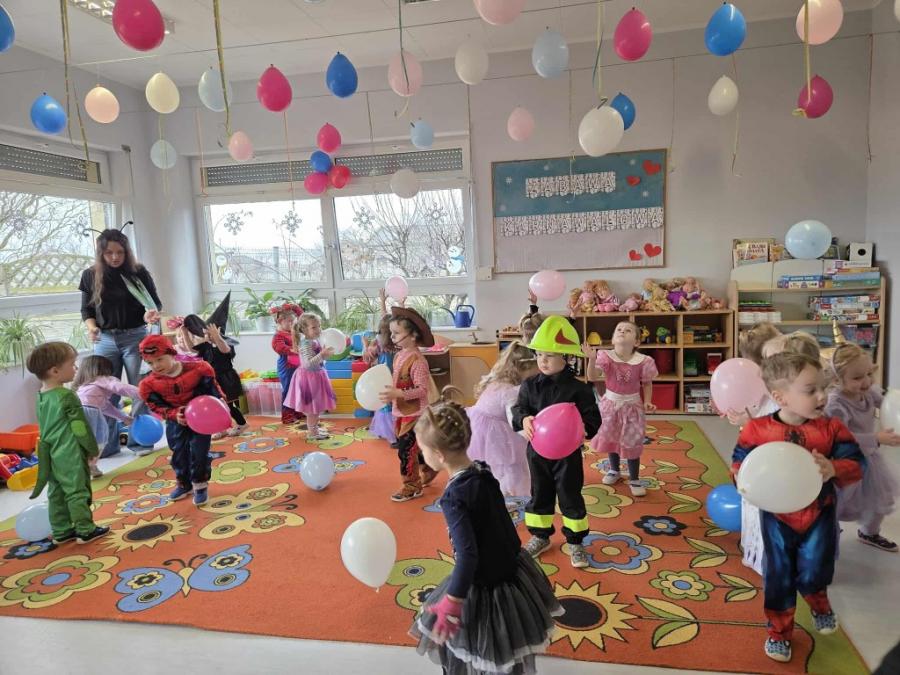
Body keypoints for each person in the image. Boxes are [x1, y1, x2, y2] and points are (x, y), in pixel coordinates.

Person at [409, 392, 563, 674]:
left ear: (439, 455)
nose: (423, 455)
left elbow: (467, 555)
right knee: (506, 642)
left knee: (476, 646)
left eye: (423, 449)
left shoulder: (453, 498)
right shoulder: (483, 471)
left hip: (483, 584)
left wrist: (453, 600)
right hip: (512, 570)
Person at [732, 352, 864, 663]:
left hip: (819, 512)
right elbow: (740, 463)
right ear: (780, 397)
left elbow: (858, 463)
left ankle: (818, 602)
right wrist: (741, 478)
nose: (822, 396)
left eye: (823, 388)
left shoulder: (831, 428)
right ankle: (779, 633)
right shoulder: (757, 430)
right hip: (777, 516)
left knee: (816, 569)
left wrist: (834, 468)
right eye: (810, 390)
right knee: (779, 575)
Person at [727, 328, 821, 574]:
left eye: (770, 364)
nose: (762, 371)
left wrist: (750, 424)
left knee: (778, 519)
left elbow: (779, 436)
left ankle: (775, 561)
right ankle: (765, 555)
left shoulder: (793, 403)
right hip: (768, 471)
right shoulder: (775, 396)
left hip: (779, 476)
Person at [512, 315, 602, 568]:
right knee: (539, 492)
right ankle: (540, 536)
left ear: (566, 357)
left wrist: (585, 429)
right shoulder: (529, 385)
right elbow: (518, 409)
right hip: (537, 452)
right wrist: (523, 419)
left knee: (570, 494)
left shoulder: (580, 390)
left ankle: (575, 541)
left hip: (568, 455)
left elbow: (593, 418)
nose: (543, 360)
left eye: (550, 355)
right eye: (539, 354)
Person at [79, 227, 161, 458]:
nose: (115, 257)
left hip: (135, 337)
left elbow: (154, 303)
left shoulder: (138, 272)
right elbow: (86, 310)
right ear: (101, 253)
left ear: (127, 252)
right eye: (109, 253)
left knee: (139, 389)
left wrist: (149, 314)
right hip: (104, 339)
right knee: (103, 392)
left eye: (120, 252)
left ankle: (140, 441)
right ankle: (107, 445)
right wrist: (92, 328)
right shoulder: (90, 275)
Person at [25, 342, 109, 544]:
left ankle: (61, 531)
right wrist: (92, 448)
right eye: (72, 364)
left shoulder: (41, 395)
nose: (76, 368)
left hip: (50, 450)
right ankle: (85, 529)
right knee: (77, 490)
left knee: (56, 491)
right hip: (69, 451)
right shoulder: (67, 396)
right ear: (55, 371)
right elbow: (79, 427)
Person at [825, 343, 900, 552]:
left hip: (870, 457)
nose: (866, 381)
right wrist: (877, 437)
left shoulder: (868, 392)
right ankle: (828, 533)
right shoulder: (836, 404)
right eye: (857, 378)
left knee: (880, 499)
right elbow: (841, 438)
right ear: (837, 379)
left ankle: (869, 532)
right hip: (845, 461)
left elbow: (886, 403)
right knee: (839, 501)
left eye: (869, 373)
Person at [138, 335, 224, 506]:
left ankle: (200, 484)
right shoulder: (148, 384)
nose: (156, 366)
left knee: (199, 452)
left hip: (200, 420)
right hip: (175, 422)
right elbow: (155, 406)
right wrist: (174, 414)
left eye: (160, 359)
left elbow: (213, 391)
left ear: (172, 353)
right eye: (150, 363)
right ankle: (184, 483)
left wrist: (221, 403)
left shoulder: (199, 369)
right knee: (178, 453)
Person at [583, 321, 658, 497]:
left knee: (632, 441)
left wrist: (647, 401)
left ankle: (634, 478)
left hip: (633, 407)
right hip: (610, 406)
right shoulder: (606, 357)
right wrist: (591, 359)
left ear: (636, 341)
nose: (622, 331)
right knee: (611, 437)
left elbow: (647, 383)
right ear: (613, 339)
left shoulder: (644, 361)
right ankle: (614, 470)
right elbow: (592, 377)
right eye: (619, 329)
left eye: (628, 330)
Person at [379, 306, 439, 502]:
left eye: (396, 333)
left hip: (415, 413)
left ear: (413, 336)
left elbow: (422, 390)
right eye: (391, 333)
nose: (392, 337)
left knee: (406, 450)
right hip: (402, 411)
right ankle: (428, 467)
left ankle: (411, 486)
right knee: (415, 446)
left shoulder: (418, 361)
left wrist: (398, 393)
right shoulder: (399, 355)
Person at [466, 341, 537, 498]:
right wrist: (531, 435)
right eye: (534, 372)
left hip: (480, 428)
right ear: (523, 368)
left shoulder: (498, 381)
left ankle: (496, 493)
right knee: (510, 465)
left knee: (494, 466)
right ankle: (510, 496)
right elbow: (514, 420)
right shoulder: (511, 392)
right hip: (495, 435)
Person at [183, 296, 248, 439]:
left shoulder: (225, 344)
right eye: (206, 333)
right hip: (213, 380)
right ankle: (221, 427)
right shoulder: (206, 346)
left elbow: (224, 349)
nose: (207, 335)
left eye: (209, 333)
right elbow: (191, 349)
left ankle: (242, 424)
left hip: (227, 379)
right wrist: (185, 333)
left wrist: (217, 337)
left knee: (229, 405)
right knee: (217, 405)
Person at [73, 355, 142, 479]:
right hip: (90, 413)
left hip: (78, 413)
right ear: (105, 369)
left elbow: (105, 407)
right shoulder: (101, 379)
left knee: (88, 442)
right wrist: (144, 393)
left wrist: (124, 418)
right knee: (101, 439)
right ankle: (88, 465)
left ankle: (89, 465)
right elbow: (121, 388)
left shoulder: (85, 386)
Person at [284, 314, 336, 441]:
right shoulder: (305, 343)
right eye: (314, 327)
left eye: (319, 326)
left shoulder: (314, 341)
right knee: (312, 408)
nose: (318, 329)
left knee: (316, 406)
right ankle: (313, 432)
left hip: (316, 376)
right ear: (304, 330)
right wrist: (322, 355)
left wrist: (324, 356)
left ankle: (314, 428)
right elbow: (308, 364)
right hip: (309, 379)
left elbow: (318, 360)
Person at [364, 312, 398, 444]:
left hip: (385, 377)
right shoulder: (394, 343)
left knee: (385, 404)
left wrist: (366, 346)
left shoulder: (380, 343)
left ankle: (388, 432)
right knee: (389, 404)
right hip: (392, 376)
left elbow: (368, 358)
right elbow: (369, 357)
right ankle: (392, 433)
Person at [271, 303, 304, 425]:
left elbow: (303, 318)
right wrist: (292, 350)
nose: (292, 323)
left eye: (293, 321)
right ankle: (287, 416)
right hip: (287, 366)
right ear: (280, 321)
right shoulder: (278, 335)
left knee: (298, 388)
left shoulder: (292, 331)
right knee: (289, 389)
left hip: (297, 365)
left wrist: (295, 307)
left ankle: (297, 412)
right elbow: (279, 347)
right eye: (289, 321)